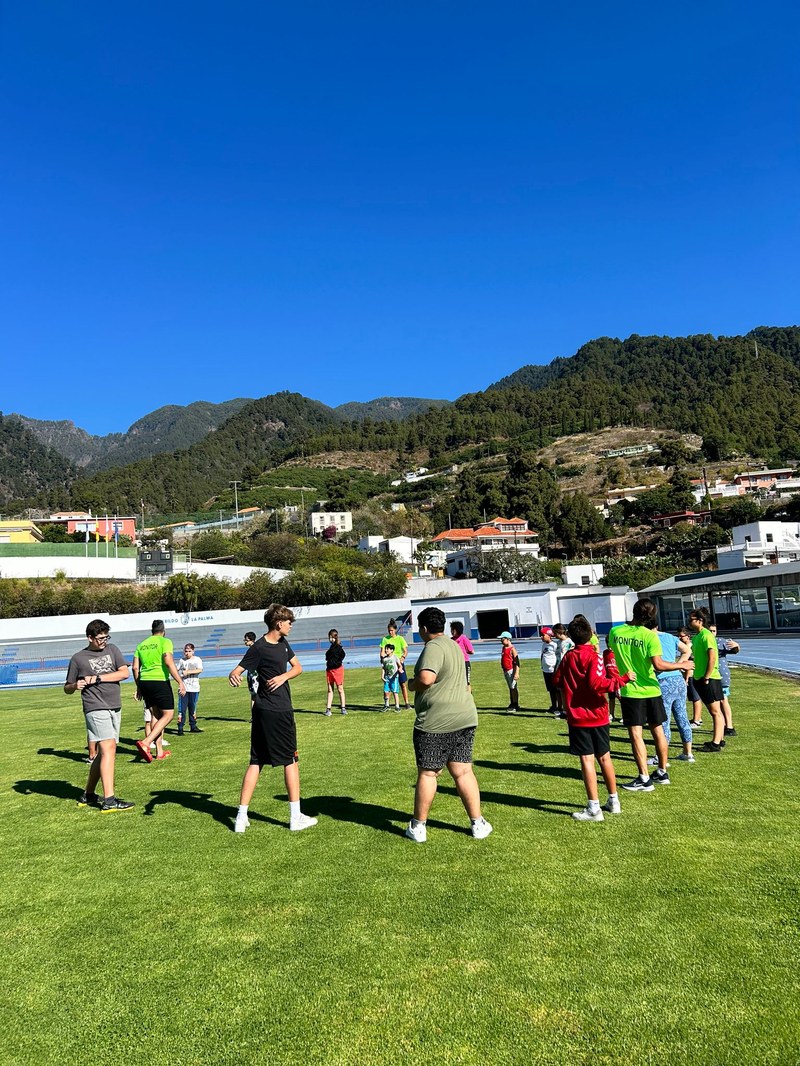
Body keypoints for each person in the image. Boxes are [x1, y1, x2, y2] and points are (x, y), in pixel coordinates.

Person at [405, 606, 492, 843]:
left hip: (436, 721)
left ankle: (418, 826)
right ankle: (477, 823)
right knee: (463, 771)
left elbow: (426, 678)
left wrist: (411, 684)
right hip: (464, 717)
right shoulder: (455, 645)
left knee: (429, 773)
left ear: (423, 628)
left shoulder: (432, 647)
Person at [228, 604, 317, 833]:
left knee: (256, 761)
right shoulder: (258, 648)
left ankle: (241, 818)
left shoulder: (283, 643)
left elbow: (298, 668)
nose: (291, 626)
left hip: (262, 710)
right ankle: (295, 817)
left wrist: (282, 676)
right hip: (277, 711)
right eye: (289, 622)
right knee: (290, 760)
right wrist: (234, 676)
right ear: (279, 624)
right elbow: (236, 672)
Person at [554, 617, 634, 821]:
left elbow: (560, 680)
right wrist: (621, 680)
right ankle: (613, 800)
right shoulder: (594, 656)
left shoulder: (569, 657)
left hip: (579, 716)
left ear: (571, 637)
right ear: (590, 633)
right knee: (604, 757)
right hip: (597, 714)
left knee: (587, 759)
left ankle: (594, 808)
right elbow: (597, 683)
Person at [608, 598, 690, 792]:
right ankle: (662, 771)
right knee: (658, 730)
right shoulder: (650, 636)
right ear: (652, 616)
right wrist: (682, 664)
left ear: (633, 611)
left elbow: (612, 650)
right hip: (652, 689)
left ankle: (644, 778)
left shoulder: (615, 631)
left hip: (631, 689)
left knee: (636, 734)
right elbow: (658, 665)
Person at [64, 619, 134, 812]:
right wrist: (75, 686)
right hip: (94, 706)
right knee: (109, 747)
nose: (104, 641)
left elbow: (124, 673)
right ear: (90, 638)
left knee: (104, 752)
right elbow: (67, 687)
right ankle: (109, 800)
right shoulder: (78, 658)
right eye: (101, 638)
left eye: (106, 637)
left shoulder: (113, 650)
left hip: (114, 706)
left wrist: (99, 678)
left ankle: (88, 794)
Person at [132, 620, 185, 762]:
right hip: (159, 681)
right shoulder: (165, 642)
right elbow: (168, 662)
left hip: (145, 681)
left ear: (152, 630)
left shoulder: (141, 645)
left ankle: (159, 751)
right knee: (168, 715)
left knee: (156, 716)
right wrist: (180, 681)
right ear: (163, 630)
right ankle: (146, 743)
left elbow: (135, 668)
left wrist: (139, 687)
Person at [654, 627, 694, 763]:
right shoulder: (669, 637)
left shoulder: (648, 637)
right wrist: (678, 664)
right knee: (682, 716)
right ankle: (688, 752)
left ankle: (661, 757)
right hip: (678, 679)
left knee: (663, 720)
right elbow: (687, 650)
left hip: (663, 680)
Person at [688, 608, 726, 753]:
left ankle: (715, 743)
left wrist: (707, 677)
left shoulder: (706, 635)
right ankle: (720, 739)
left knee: (715, 711)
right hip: (700, 677)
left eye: (692, 619)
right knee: (715, 711)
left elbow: (712, 657)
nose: (689, 622)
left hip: (710, 679)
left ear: (700, 620)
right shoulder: (697, 636)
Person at [709, 624, 739, 737]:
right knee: (717, 701)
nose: (712, 633)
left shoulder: (720, 642)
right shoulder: (705, 640)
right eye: (710, 631)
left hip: (721, 675)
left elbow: (735, 650)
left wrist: (737, 646)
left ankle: (730, 727)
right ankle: (723, 726)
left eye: (714, 631)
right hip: (713, 675)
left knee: (723, 700)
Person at [380, 619, 410, 709]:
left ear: (395, 630)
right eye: (389, 630)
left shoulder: (400, 639)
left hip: (398, 663)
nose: (390, 632)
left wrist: (402, 658)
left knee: (402, 683)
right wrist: (383, 658)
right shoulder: (385, 639)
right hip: (389, 664)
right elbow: (381, 652)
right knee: (388, 684)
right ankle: (387, 704)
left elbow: (405, 651)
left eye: (392, 630)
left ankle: (407, 703)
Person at [176, 642, 204, 735]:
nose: (187, 653)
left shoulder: (197, 660)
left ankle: (193, 726)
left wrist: (188, 672)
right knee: (182, 708)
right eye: (186, 651)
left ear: (193, 651)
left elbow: (200, 669)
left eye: (189, 651)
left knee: (192, 708)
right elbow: (175, 670)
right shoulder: (182, 661)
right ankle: (180, 727)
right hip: (184, 688)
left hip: (194, 688)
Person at [551, 624, 573, 718]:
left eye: (555, 633)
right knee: (561, 691)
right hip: (559, 669)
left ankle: (570, 710)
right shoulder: (559, 643)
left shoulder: (570, 642)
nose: (554, 635)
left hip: (567, 670)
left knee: (568, 691)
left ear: (559, 632)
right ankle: (564, 711)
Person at [325, 629, 347, 716]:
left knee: (340, 689)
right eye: (329, 637)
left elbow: (342, 655)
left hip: (338, 670)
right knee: (330, 690)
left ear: (335, 637)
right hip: (329, 670)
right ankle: (328, 709)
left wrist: (337, 662)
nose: (330, 639)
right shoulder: (330, 649)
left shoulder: (339, 648)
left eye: (331, 637)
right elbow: (327, 657)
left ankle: (343, 708)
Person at [450, 620, 475, 690]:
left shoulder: (463, 638)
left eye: (453, 630)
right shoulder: (451, 640)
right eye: (451, 629)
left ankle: (469, 697)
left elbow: (471, 651)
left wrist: (463, 652)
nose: (452, 632)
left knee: (467, 682)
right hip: (455, 663)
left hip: (464, 662)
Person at [499, 631, 520, 713]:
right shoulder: (504, 648)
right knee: (510, 688)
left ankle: (515, 704)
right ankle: (512, 702)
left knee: (513, 687)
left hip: (511, 670)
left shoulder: (512, 649)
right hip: (506, 670)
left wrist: (516, 673)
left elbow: (517, 662)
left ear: (508, 639)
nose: (501, 641)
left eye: (502, 639)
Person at [540, 626, 559, 715]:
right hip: (546, 670)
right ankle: (553, 705)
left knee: (556, 689)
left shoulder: (554, 645)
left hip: (553, 670)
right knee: (550, 689)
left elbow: (557, 656)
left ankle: (559, 707)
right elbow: (543, 655)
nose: (541, 637)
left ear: (549, 635)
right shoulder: (544, 645)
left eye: (543, 635)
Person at [381, 642, 402, 712]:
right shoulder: (384, 659)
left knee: (395, 692)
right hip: (387, 677)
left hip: (394, 677)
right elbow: (383, 668)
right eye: (386, 649)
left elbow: (399, 665)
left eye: (388, 649)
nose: (386, 650)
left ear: (392, 650)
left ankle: (397, 706)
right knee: (386, 691)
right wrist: (382, 676)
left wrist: (400, 669)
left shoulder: (395, 657)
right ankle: (386, 705)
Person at [243, 632, 259, 709]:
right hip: (251, 674)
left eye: (246, 640)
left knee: (256, 695)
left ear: (252, 640)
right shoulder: (251, 650)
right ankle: (254, 715)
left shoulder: (255, 649)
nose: (245, 642)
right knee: (253, 696)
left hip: (255, 676)